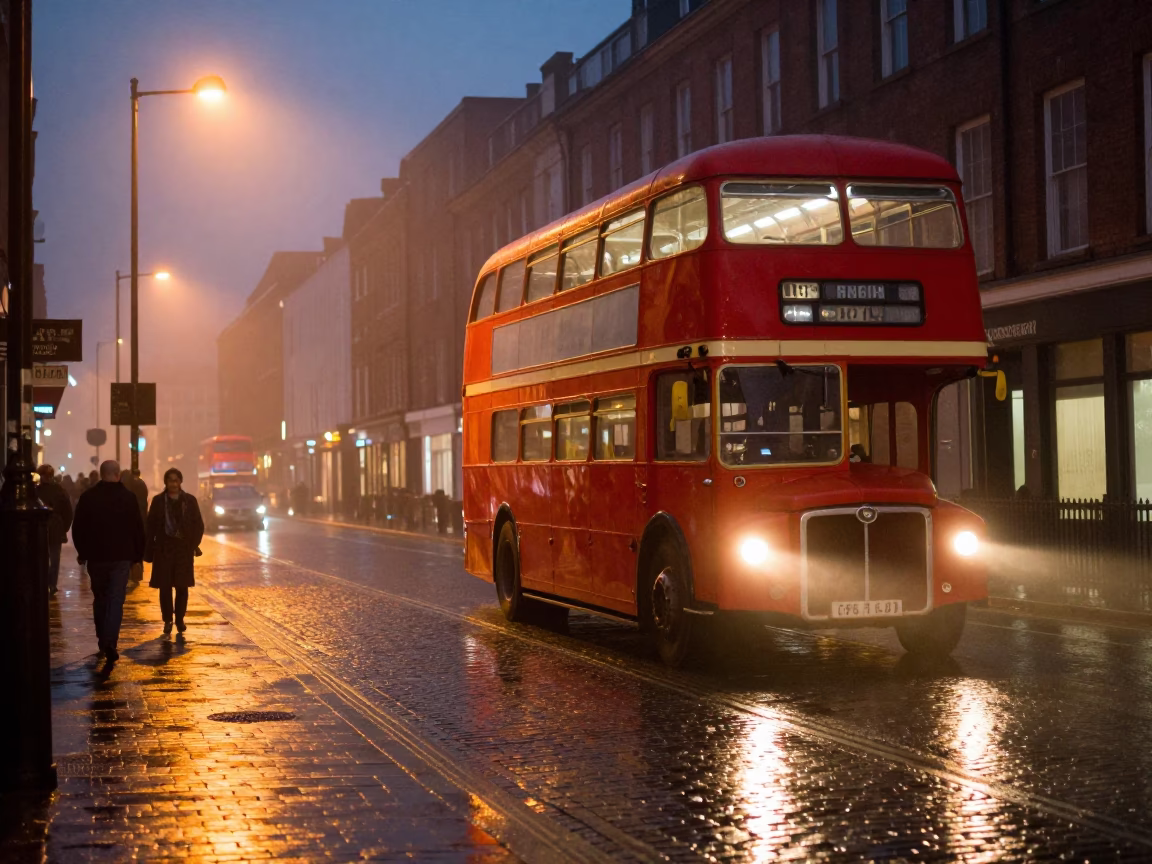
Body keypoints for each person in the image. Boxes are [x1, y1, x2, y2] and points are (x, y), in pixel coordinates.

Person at [71, 460, 145, 664]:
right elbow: (138, 528)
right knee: (115, 599)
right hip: (121, 557)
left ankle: (102, 639)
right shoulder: (128, 498)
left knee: (100, 598)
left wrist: (82, 551)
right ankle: (110, 640)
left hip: (96, 557)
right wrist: (138, 556)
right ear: (118, 474)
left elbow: (78, 528)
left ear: (101, 473)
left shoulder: (88, 497)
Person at [144, 467, 204, 635]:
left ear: (180, 482)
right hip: (164, 550)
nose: (174, 484)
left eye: (176, 480)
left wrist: (192, 544)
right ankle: (168, 620)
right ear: (166, 482)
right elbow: (151, 527)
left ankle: (179, 619)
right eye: (170, 480)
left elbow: (198, 525)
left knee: (182, 587)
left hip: (183, 551)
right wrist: (149, 551)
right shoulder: (157, 501)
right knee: (165, 588)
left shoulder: (190, 501)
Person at [37, 465, 74, 596]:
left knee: (43, 558)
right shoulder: (60, 491)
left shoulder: (36, 491)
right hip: (55, 528)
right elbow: (68, 512)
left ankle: (46, 583)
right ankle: (51, 584)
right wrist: (64, 527)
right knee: (54, 558)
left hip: (41, 529)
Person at [122, 469, 150, 581]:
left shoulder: (126, 485)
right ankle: (138, 571)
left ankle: (129, 572)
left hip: (129, 520)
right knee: (138, 546)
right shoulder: (142, 484)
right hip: (141, 519)